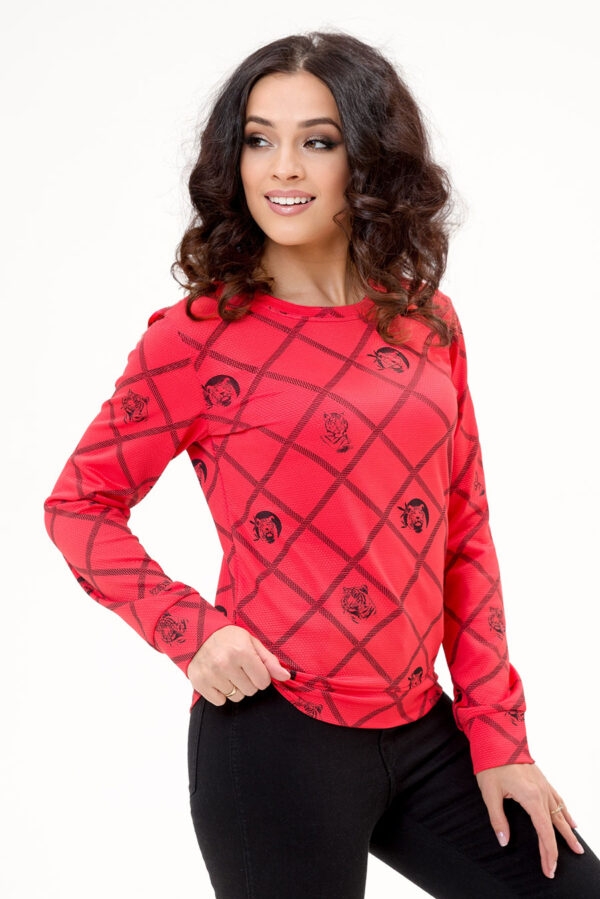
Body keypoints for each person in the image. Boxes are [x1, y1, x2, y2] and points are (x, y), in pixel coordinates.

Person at [44, 31, 600, 899]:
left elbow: (464, 532)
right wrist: (193, 630)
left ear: (368, 159)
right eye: (258, 140)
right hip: (274, 736)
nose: (282, 168)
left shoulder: (429, 322)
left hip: (424, 728)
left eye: (318, 140)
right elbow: (79, 504)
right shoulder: (195, 338)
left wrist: (500, 736)